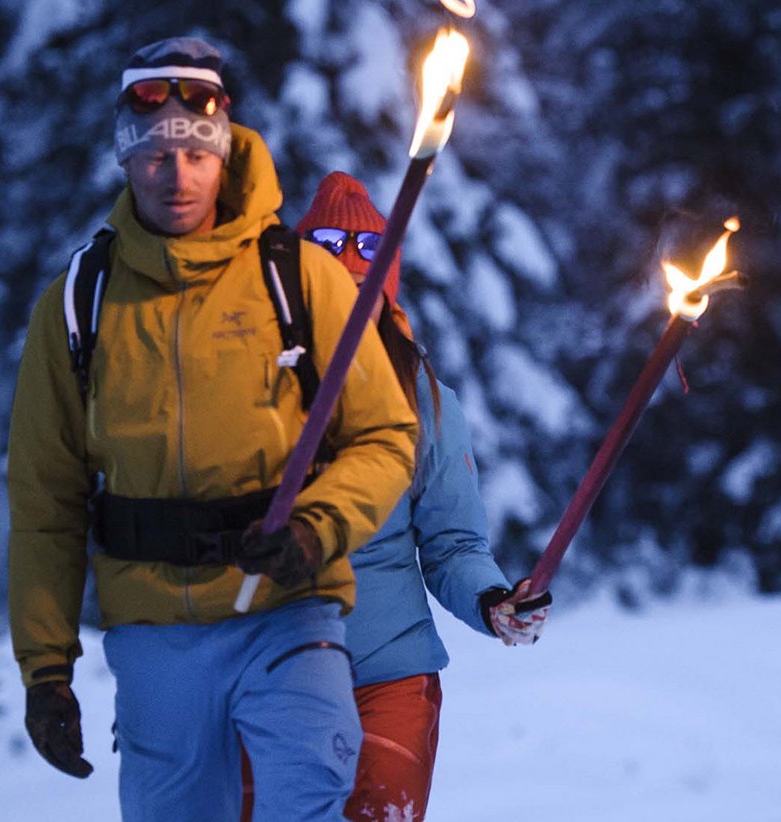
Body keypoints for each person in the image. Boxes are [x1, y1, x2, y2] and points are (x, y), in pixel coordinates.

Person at [6, 39, 419, 822]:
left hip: (288, 609)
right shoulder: (79, 302)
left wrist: (315, 527)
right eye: (156, 155)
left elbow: (386, 436)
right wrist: (45, 670)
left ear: (223, 155)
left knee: (309, 793)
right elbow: (44, 500)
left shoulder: (298, 279)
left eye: (196, 154)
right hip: (154, 627)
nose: (177, 174)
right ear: (127, 161)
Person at [257, 171, 552, 822]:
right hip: (265, 676)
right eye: (328, 242)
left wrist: (493, 601)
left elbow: (453, 543)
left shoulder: (424, 397)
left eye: (369, 247)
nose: (347, 258)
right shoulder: (250, 377)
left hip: (386, 676)